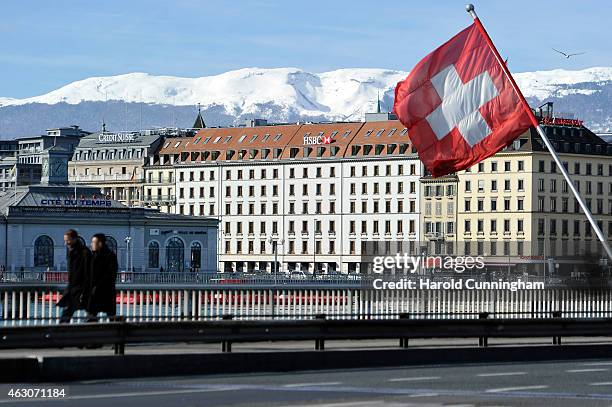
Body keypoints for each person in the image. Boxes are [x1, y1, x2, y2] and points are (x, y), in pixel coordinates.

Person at [58, 229, 91, 323]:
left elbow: (87, 271)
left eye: (67, 240)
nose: (65, 243)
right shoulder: (74, 251)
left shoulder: (83, 252)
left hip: (80, 287)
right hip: (75, 286)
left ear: (75, 239)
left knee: (68, 311)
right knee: (71, 309)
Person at [87, 233, 118, 320]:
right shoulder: (98, 256)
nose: (91, 244)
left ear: (100, 243)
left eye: (93, 242)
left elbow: (110, 275)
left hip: (101, 292)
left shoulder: (106, 256)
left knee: (92, 318)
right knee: (110, 317)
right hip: (103, 292)